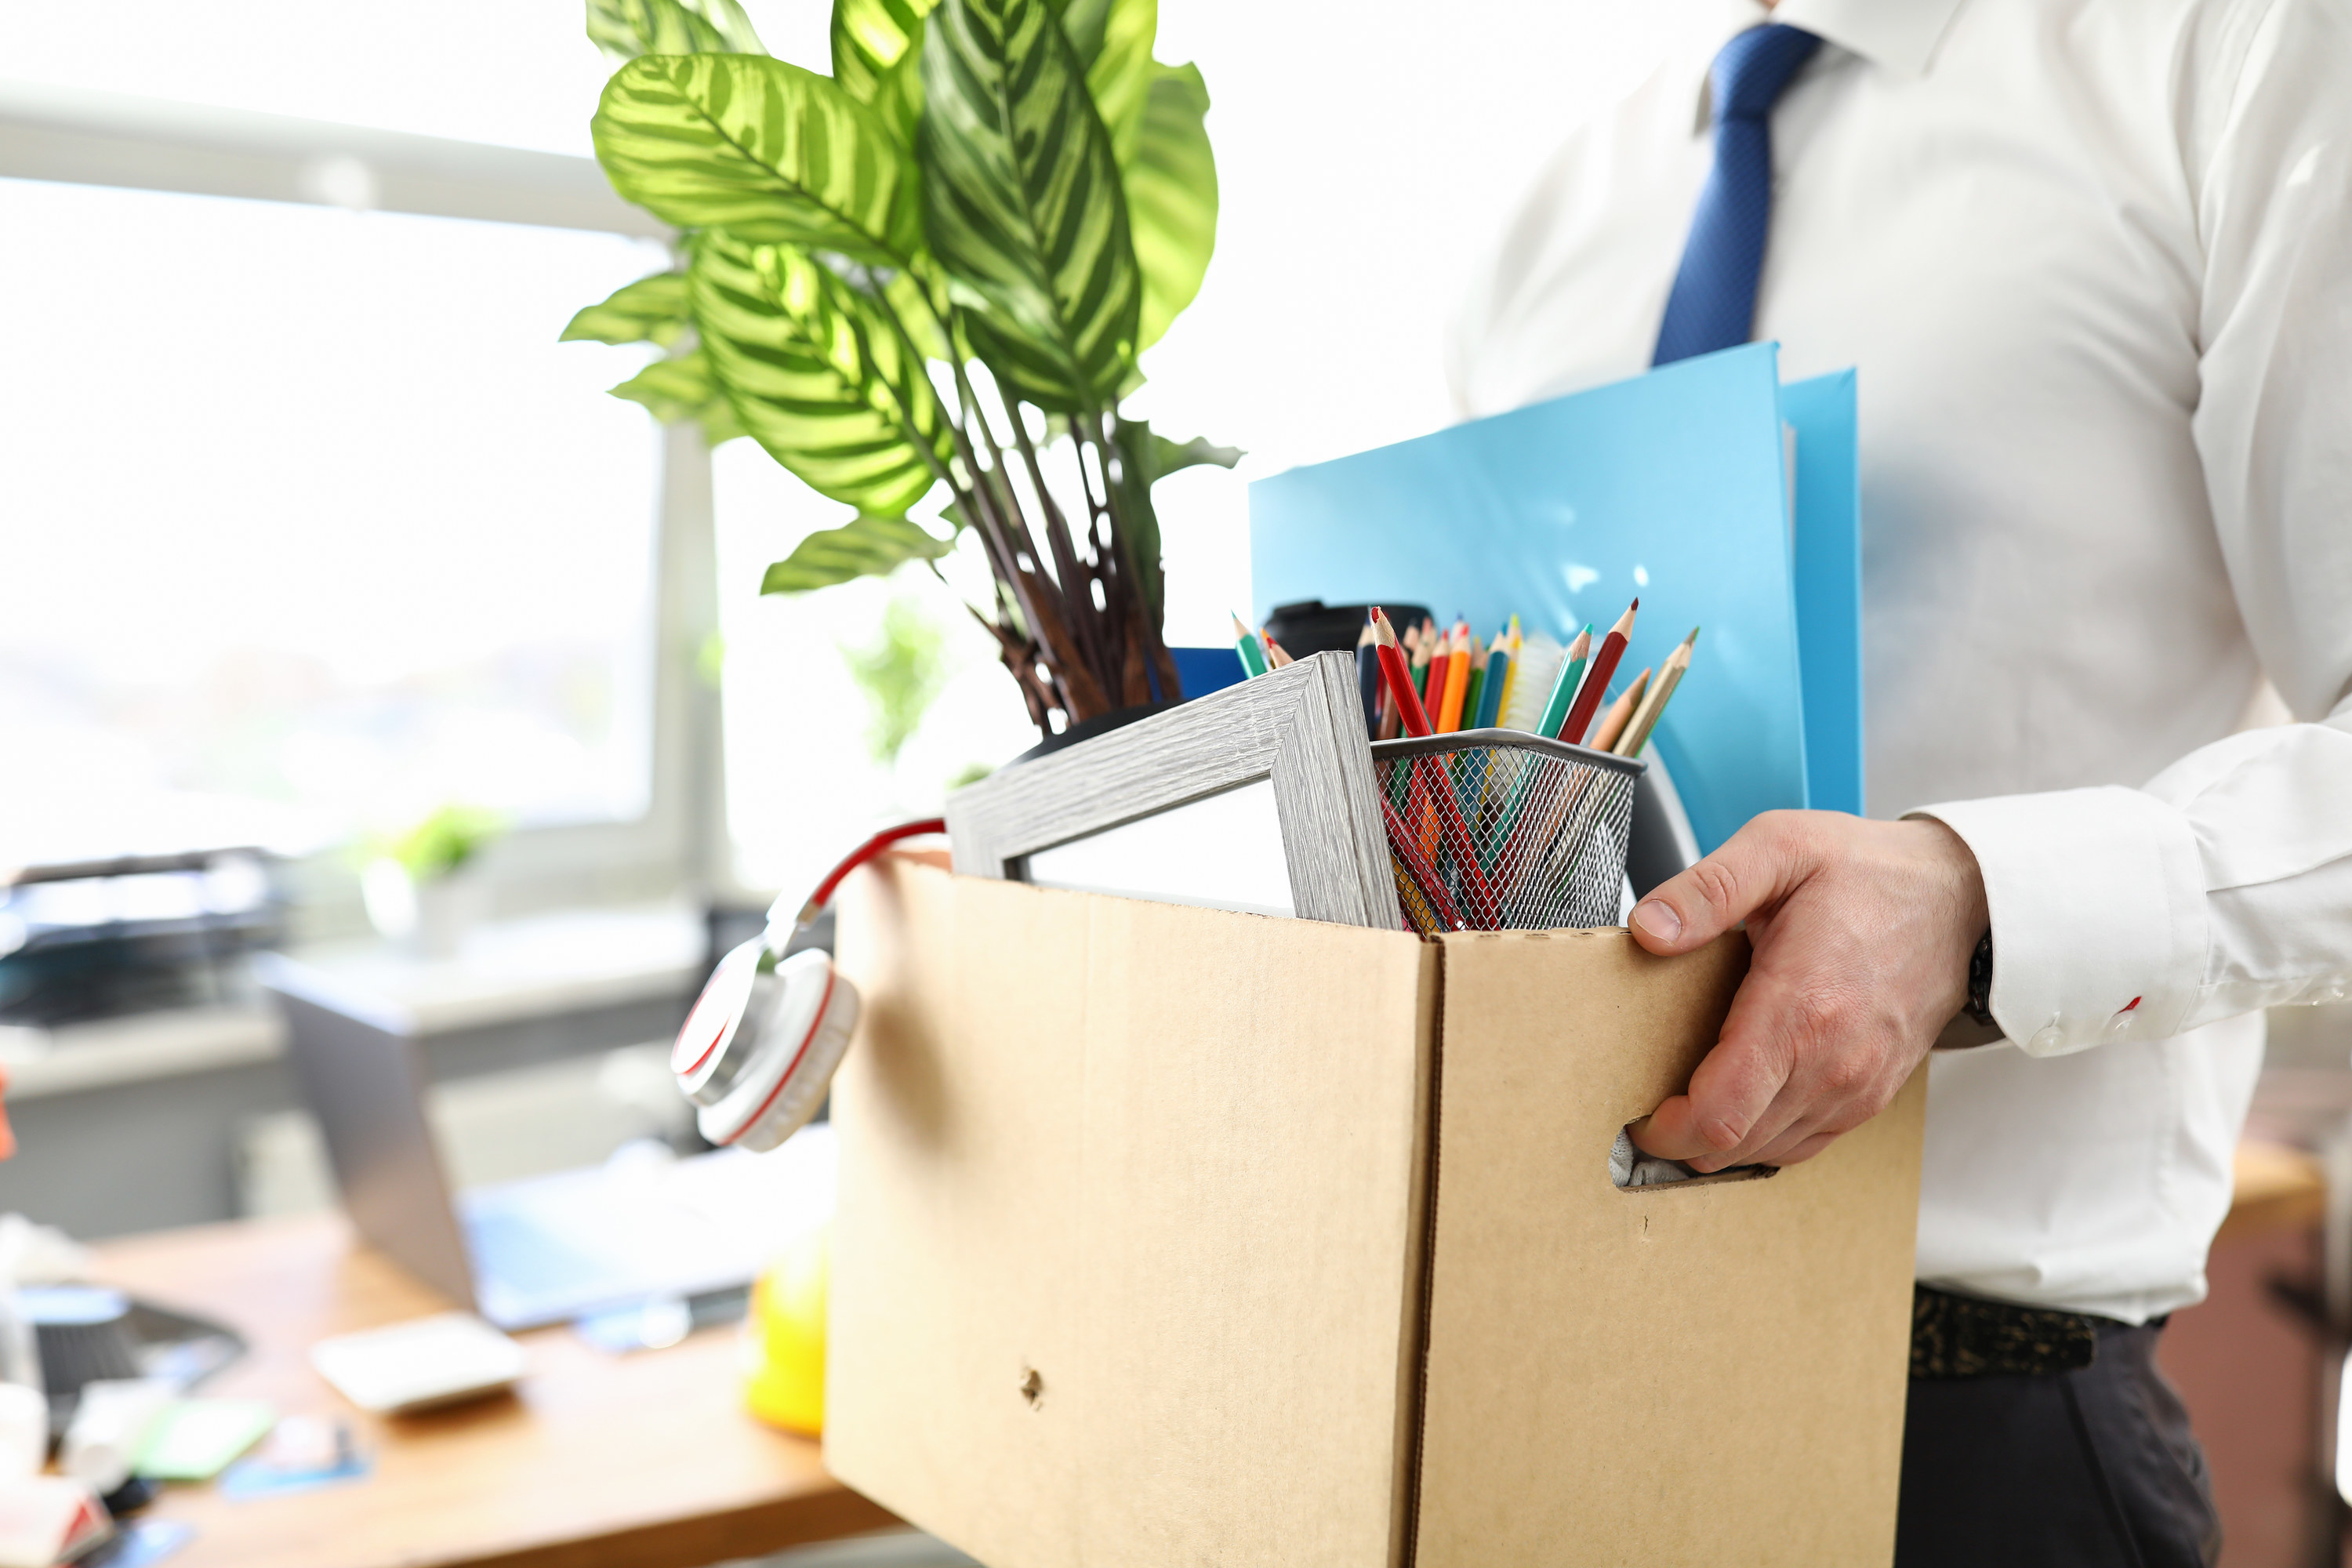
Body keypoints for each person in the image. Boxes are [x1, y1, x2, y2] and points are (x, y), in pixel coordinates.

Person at [1449, 0, 2352, 1562]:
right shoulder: (1548, 212)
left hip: (1968, 1443)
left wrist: (1976, 903)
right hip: (1521, 1408)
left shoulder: (2239, 49)